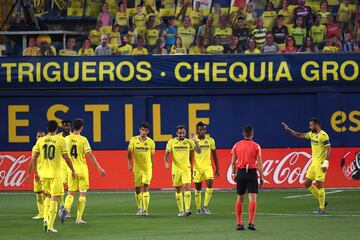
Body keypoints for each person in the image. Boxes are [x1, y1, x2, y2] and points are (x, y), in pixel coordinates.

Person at [32, 120, 76, 233]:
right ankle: (50, 226)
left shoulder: (40, 140)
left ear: (48, 129)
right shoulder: (60, 140)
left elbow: (34, 158)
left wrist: (36, 173)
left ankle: (45, 219)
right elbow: (66, 158)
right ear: (57, 129)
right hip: (56, 174)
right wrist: (73, 170)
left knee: (47, 197)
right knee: (54, 199)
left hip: (44, 174)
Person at [282, 118, 331, 214]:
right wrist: (289, 130)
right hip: (313, 163)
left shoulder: (323, 135)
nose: (310, 127)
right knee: (307, 183)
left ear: (317, 125)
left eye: (311, 125)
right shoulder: (311, 134)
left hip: (321, 164)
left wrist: (326, 163)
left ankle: (321, 209)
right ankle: (322, 200)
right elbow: (300, 135)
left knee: (319, 184)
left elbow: (329, 149)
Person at [62, 119, 105, 224]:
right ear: (81, 128)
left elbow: (63, 155)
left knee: (71, 193)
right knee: (82, 194)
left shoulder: (66, 139)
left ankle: (66, 209)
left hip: (71, 170)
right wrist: (99, 168)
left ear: (72, 127)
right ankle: (78, 218)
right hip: (82, 170)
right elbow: (90, 155)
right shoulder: (83, 140)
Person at [231, 125, 264, 231]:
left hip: (240, 173)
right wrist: (262, 178)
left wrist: (234, 174)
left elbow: (233, 163)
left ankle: (239, 223)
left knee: (240, 198)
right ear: (252, 133)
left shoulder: (237, 145)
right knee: (252, 199)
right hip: (251, 173)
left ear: (243, 133)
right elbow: (259, 164)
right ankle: (251, 223)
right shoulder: (256, 146)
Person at [164, 125, 201, 217]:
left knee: (187, 186)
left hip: (186, 168)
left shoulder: (189, 142)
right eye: (180, 133)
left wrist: (196, 141)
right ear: (177, 133)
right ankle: (181, 210)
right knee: (178, 189)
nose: (181, 134)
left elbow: (199, 151)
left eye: (183, 133)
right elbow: (166, 153)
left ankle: (187, 209)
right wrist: (166, 161)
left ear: (185, 133)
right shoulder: (171, 142)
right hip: (176, 169)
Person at [127, 122, 155, 216]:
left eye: (146, 130)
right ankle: (140, 208)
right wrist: (129, 164)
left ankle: (145, 210)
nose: (144, 132)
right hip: (137, 167)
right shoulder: (133, 140)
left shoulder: (151, 142)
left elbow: (152, 156)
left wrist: (152, 168)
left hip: (147, 167)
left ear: (148, 131)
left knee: (146, 187)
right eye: (142, 130)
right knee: (137, 188)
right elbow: (129, 153)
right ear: (139, 130)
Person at [193, 122, 219, 215]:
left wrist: (218, 168)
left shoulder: (210, 140)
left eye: (203, 129)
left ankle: (205, 206)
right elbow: (193, 153)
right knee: (198, 187)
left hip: (208, 166)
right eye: (200, 129)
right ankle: (198, 208)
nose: (202, 131)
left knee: (210, 183)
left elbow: (215, 154)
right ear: (197, 130)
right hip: (197, 167)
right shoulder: (193, 140)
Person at [26, 131, 46, 220]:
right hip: (38, 173)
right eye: (39, 136)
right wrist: (29, 174)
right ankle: (41, 213)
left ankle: (48, 212)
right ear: (36, 137)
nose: (40, 138)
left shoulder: (47, 147)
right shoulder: (35, 147)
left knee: (47, 194)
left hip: (46, 174)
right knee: (38, 193)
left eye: (42, 136)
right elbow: (32, 161)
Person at [57, 120, 72, 219]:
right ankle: (62, 206)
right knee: (60, 187)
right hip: (61, 165)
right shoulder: (58, 137)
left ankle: (67, 210)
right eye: (64, 125)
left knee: (71, 189)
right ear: (62, 126)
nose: (66, 127)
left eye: (68, 125)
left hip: (71, 165)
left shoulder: (73, 137)